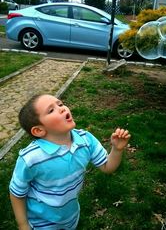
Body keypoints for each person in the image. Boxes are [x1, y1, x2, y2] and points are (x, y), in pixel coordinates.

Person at [9, 94, 131, 230]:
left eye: (60, 104)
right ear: (39, 130)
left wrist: (117, 150)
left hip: (70, 216)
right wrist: (23, 224)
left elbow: (107, 167)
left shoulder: (86, 140)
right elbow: (17, 192)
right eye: (51, 110)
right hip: (41, 221)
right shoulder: (30, 158)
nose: (62, 108)